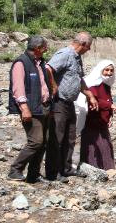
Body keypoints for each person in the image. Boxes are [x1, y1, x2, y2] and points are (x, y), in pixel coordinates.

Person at [45, 32, 97, 181]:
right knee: (57, 138)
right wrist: (54, 86)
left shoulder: (77, 58)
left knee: (70, 137)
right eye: (89, 47)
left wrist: (90, 95)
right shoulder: (65, 54)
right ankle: (52, 173)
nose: (89, 50)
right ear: (83, 44)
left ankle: (66, 168)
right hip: (59, 102)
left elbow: (79, 79)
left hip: (69, 103)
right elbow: (48, 68)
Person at [7, 36, 52, 183]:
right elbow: (18, 88)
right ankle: (15, 170)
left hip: (44, 107)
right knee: (36, 141)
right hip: (31, 109)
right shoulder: (21, 63)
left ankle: (33, 175)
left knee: (43, 142)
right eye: (45, 46)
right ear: (38, 48)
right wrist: (24, 108)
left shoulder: (39, 62)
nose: (47, 49)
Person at [80, 60, 116, 170]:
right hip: (93, 120)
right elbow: (94, 100)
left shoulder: (106, 85)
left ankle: (107, 169)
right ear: (101, 70)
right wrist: (110, 106)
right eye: (106, 70)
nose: (109, 73)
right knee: (95, 146)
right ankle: (93, 169)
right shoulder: (93, 84)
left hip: (103, 121)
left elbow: (108, 99)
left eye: (111, 70)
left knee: (106, 146)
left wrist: (110, 115)